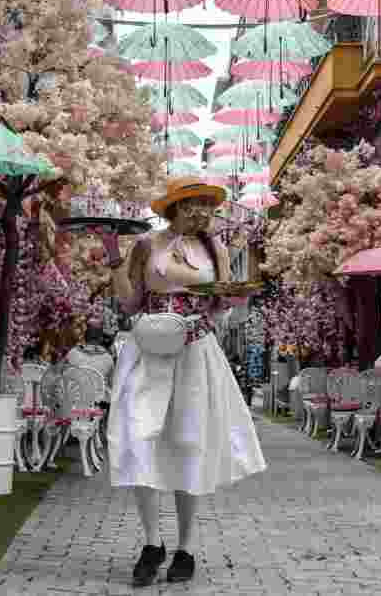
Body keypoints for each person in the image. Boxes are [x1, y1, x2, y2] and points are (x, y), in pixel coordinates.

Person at [100, 177, 267, 587]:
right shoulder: (147, 245)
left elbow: (222, 303)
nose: (203, 213)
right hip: (148, 350)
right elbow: (128, 301)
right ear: (174, 207)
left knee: (190, 441)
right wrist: (111, 258)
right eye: (194, 205)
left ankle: (186, 547)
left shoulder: (216, 248)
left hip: (195, 350)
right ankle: (152, 542)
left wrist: (229, 299)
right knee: (138, 437)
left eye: (208, 207)